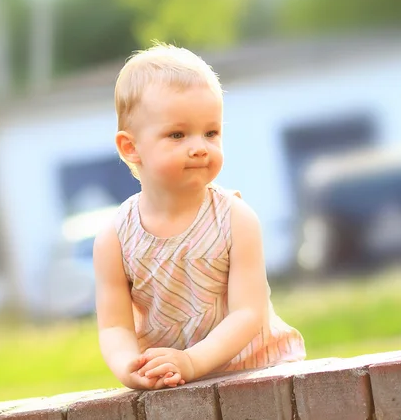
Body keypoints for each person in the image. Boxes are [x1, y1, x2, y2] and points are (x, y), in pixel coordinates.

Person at [93, 42, 305, 390]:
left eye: (211, 132)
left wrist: (192, 360)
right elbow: (115, 326)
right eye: (177, 134)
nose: (199, 146)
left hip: (262, 375)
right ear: (131, 147)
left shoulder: (235, 219)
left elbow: (247, 313)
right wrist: (129, 366)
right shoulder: (115, 240)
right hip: (176, 381)